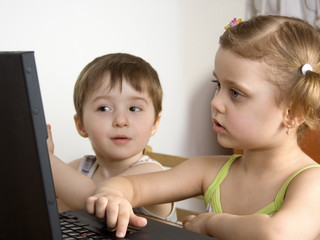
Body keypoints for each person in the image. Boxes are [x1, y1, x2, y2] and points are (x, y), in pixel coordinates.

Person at [85, 15, 320, 239]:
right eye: (218, 84)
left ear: (293, 113)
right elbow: (128, 186)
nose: (216, 102)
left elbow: (278, 234)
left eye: (236, 93)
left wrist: (210, 223)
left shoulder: (312, 181)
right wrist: (112, 196)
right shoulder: (206, 170)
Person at [47, 53, 177, 223]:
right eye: (104, 108)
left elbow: (96, 200)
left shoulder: (152, 173)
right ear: (80, 124)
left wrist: (46, 159)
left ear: (155, 123)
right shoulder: (83, 168)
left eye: (134, 108)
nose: (120, 121)